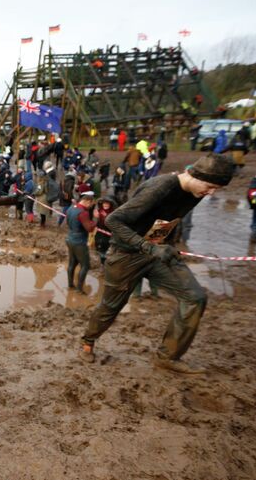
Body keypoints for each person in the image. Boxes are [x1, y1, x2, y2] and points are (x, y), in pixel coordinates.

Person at [79, 155, 234, 374]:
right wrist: (150, 247)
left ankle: (168, 356)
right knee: (111, 307)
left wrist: (167, 244)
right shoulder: (161, 186)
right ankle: (88, 342)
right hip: (125, 256)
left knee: (195, 297)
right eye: (210, 187)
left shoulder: (195, 192)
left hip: (156, 252)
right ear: (193, 174)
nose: (211, 193)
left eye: (216, 189)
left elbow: (167, 218)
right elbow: (114, 220)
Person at [65, 191, 96, 293]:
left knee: (72, 264)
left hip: (69, 238)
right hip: (79, 242)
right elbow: (89, 228)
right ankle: (79, 289)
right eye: (91, 204)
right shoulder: (83, 213)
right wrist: (96, 219)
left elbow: (67, 221)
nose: (91, 206)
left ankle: (70, 284)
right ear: (87, 201)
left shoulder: (71, 208)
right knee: (85, 265)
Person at [94, 197, 116, 268]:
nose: (105, 205)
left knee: (107, 247)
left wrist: (106, 216)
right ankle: (102, 261)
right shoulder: (99, 210)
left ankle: (105, 263)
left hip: (108, 233)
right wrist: (96, 217)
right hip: (99, 232)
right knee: (98, 246)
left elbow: (113, 224)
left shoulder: (113, 212)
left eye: (107, 203)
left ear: (110, 205)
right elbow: (96, 221)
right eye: (104, 203)